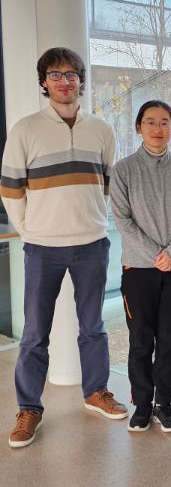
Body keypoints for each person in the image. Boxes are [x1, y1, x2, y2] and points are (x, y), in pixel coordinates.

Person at [1, 47, 127, 449]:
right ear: (43, 82)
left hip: (91, 244)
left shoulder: (102, 130)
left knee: (93, 327)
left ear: (81, 81)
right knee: (35, 334)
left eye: (71, 74)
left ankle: (95, 392)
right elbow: (10, 190)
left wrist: (90, 219)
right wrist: (33, 229)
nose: (64, 81)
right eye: (55, 74)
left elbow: (108, 185)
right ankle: (29, 409)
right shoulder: (25, 129)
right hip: (42, 248)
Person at [110, 100, 171, 434]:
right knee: (141, 339)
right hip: (139, 269)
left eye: (164, 123)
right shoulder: (123, 169)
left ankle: (165, 403)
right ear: (138, 128)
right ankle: (142, 404)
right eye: (150, 122)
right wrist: (155, 255)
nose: (157, 129)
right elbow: (123, 220)